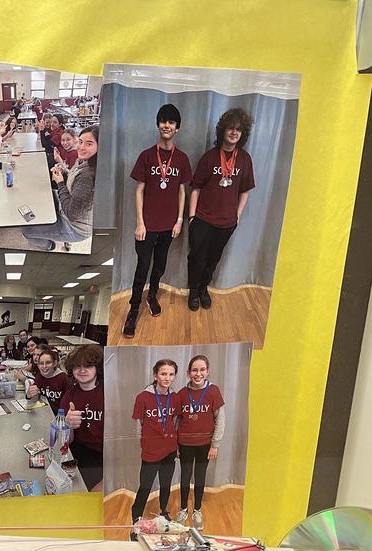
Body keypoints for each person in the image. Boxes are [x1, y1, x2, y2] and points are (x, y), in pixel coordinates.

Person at [124, 104, 192, 338]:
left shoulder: (182, 159)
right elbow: (139, 190)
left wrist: (180, 220)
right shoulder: (146, 156)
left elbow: (183, 192)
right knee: (142, 268)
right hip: (148, 225)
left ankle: (152, 295)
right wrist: (140, 223)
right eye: (163, 121)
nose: (167, 125)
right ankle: (133, 309)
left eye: (171, 122)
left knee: (160, 265)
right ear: (158, 125)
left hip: (169, 226)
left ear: (177, 128)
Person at [186, 107, 256, 312]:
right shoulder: (209, 157)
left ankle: (203, 289)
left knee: (213, 259)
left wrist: (237, 214)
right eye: (231, 128)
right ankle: (192, 292)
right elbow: (196, 188)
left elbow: (245, 191)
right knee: (196, 259)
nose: (234, 132)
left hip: (226, 223)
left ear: (242, 134)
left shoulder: (244, 159)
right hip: (202, 220)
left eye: (239, 129)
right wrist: (192, 218)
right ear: (223, 130)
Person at [23, 125, 98, 252]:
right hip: (69, 205)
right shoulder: (83, 161)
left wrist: (60, 183)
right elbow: (73, 179)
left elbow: (72, 214)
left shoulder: (87, 177)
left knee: (27, 231)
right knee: (47, 193)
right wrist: (62, 169)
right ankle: (47, 220)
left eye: (89, 144)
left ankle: (49, 246)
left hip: (75, 227)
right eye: (81, 142)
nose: (81, 147)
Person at [174, 355, 225, 530]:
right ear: (188, 373)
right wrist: (176, 445)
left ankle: (197, 510)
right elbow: (177, 421)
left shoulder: (214, 391)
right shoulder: (181, 394)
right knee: (185, 476)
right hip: (186, 443)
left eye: (202, 370)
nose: (198, 374)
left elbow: (220, 419)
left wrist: (215, 444)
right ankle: (183, 510)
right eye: (194, 370)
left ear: (208, 371)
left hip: (205, 444)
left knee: (200, 476)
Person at [131, 359, 180, 525]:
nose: (167, 378)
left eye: (171, 374)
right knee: (145, 484)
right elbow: (138, 425)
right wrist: (143, 443)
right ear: (155, 375)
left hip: (169, 448)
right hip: (151, 449)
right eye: (163, 374)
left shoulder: (175, 397)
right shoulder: (143, 397)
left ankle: (163, 511)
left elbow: (175, 421)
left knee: (166, 484)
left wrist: (174, 442)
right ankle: (136, 515)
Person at [63, 344, 104, 491]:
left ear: (97, 368)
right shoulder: (70, 395)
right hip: (78, 450)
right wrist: (67, 425)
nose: (82, 370)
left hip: (103, 455)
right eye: (77, 366)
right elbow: (67, 441)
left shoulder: (109, 393)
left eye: (88, 365)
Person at [24, 347, 69, 414]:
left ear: (55, 363)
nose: (44, 366)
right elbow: (35, 398)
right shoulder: (39, 376)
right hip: (46, 412)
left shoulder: (63, 378)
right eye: (41, 363)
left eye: (48, 363)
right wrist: (29, 395)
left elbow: (69, 401)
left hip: (60, 415)